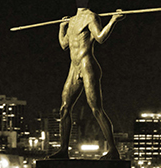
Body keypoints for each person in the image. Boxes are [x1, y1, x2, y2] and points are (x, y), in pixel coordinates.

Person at [49, 8, 123, 160]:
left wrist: (113, 20)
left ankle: (113, 150)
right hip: (74, 67)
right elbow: (64, 44)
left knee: (96, 109)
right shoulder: (73, 21)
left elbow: (100, 38)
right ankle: (63, 151)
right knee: (64, 109)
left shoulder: (91, 17)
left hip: (87, 65)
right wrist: (61, 27)